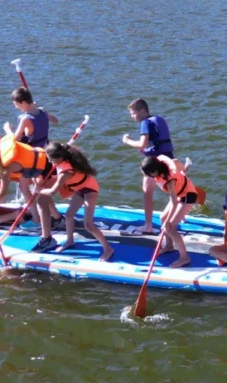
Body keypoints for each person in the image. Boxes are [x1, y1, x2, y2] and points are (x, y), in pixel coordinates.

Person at [0, 136, 58, 252]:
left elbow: (3, 193)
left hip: (45, 167)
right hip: (41, 158)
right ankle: (49, 219)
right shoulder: (0, 148)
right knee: (24, 187)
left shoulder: (5, 168)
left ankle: (47, 239)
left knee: (41, 201)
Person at [40, 142, 114, 261]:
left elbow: (52, 191)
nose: (49, 162)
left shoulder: (66, 173)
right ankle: (70, 241)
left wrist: (38, 190)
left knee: (88, 225)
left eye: (50, 159)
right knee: (69, 215)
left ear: (59, 158)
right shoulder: (65, 157)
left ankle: (108, 249)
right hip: (80, 189)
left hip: (90, 190)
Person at [140, 155, 205, 268]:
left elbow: (174, 202)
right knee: (162, 218)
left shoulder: (169, 181)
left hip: (187, 197)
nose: (147, 176)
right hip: (180, 194)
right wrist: (183, 169)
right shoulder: (160, 160)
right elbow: (175, 161)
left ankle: (185, 257)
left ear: (155, 171)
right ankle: (169, 246)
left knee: (170, 227)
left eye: (148, 174)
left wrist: (167, 223)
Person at [121, 98, 174, 234]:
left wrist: (127, 141)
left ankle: (148, 226)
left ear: (143, 111)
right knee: (172, 189)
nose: (132, 116)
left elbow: (142, 144)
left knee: (147, 192)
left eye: (133, 113)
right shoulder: (159, 119)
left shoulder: (145, 123)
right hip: (169, 160)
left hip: (154, 164)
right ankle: (181, 216)